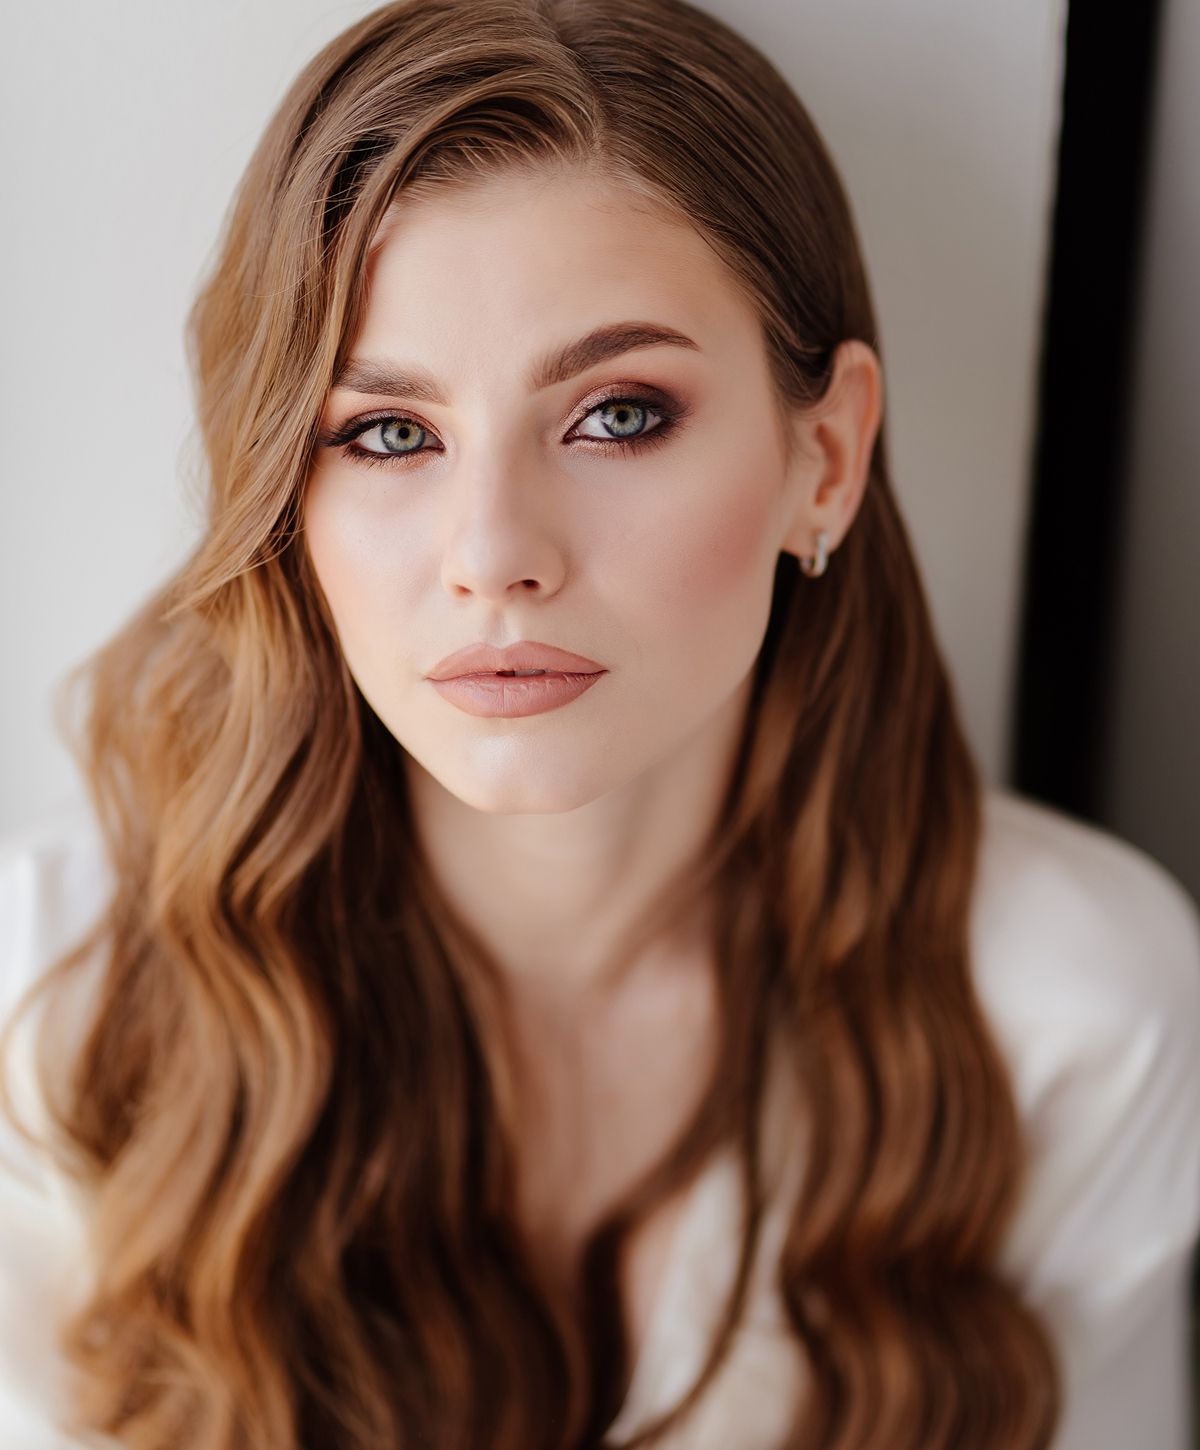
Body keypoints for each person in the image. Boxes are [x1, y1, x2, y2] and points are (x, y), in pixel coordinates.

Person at [2, 0, 1199, 1446]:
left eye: (618, 414)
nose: (495, 551)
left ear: (824, 457)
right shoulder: (56, 1000)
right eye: (389, 433)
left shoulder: (1075, 1016)